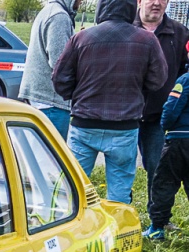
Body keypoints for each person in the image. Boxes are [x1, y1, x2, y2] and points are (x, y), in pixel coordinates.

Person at [53, 0, 167, 204]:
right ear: (132, 8)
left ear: (101, 8)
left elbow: (60, 78)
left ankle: (72, 231)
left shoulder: (81, 38)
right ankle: (117, 232)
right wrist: (136, 87)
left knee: (72, 188)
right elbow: (158, 80)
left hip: (84, 124)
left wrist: (78, 95)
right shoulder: (148, 40)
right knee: (120, 193)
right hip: (125, 126)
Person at [135, 0, 189, 218]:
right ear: (139, 1)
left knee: (157, 168)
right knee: (122, 169)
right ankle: (122, 217)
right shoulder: (126, 28)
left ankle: (156, 219)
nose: (156, 3)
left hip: (159, 116)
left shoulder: (180, 33)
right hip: (125, 115)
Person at [144, 42, 189, 240]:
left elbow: (170, 109)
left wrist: (165, 128)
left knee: (164, 183)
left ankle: (157, 227)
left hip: (179, 140)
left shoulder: (184, 80)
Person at [20, 0, 84, 140]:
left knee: (38, 157)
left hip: (42, 100)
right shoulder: (59, 17)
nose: (81, 1)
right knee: (50, 160)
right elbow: (61, 64)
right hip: (51, 102)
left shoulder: (49, 11)